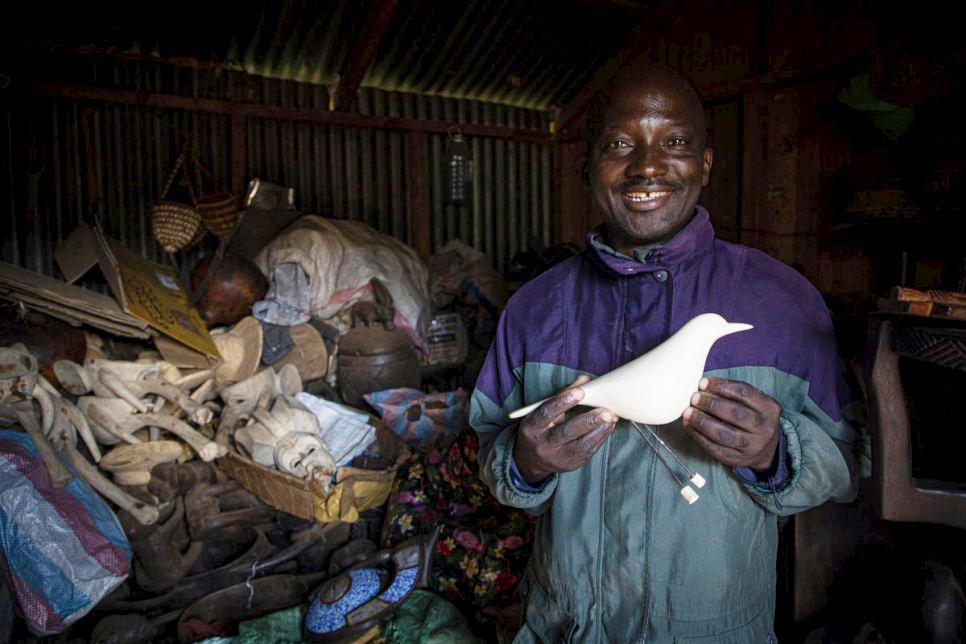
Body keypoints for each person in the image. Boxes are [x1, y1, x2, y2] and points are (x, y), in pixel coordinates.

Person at [469, 64, 859, 643]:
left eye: (674, 143)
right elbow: (489, 450)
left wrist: (776, 453)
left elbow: (849, 463)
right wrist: (527, 464)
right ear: (588, 167)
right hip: (566, 628)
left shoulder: (783, 302)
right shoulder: (534, 308)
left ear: (704, 163)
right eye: (620, 143)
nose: (647, 165)